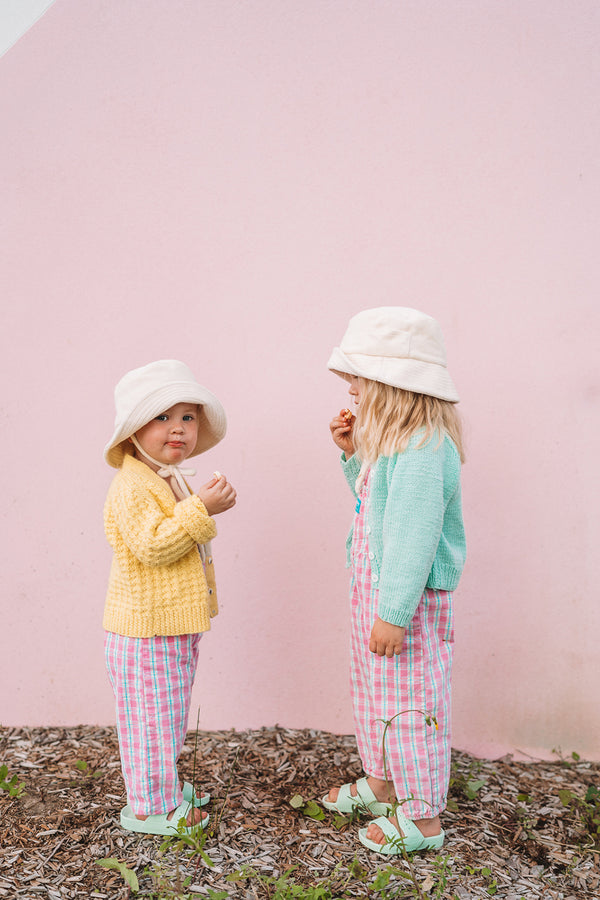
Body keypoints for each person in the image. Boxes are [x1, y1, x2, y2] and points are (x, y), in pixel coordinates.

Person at [322, 307, 466, 855]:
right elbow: (375, 506)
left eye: (358, 378)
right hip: (379, 593)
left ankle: (424, 816)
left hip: (403, 598)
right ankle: (384, 783)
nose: (351, 390)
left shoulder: (425, 448)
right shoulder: (398, 444)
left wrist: (395, 613)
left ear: (391, 384)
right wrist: (354, 453)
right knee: (375, 691)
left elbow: (411, 536)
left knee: (410, 701)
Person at [102, 359, 236, 836]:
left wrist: (197, 502)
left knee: (168, 713)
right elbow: (154, 546)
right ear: (133, 431)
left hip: (170, 624)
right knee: (149, 720)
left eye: (187, 417)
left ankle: (161, 787)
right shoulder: (132, 486)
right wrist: (203, 508)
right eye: (162, 417)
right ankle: (150, 808)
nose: (177, 429)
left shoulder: (165, 476)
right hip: (145, 629)